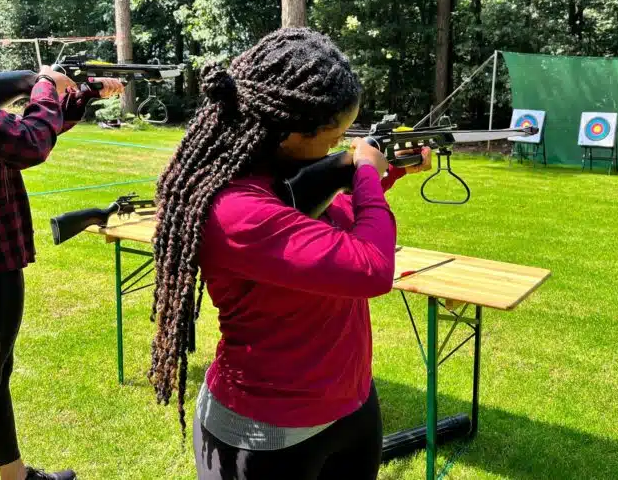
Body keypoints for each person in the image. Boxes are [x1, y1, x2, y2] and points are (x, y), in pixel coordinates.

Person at [148, 27, 431, 479]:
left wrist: (385, 171)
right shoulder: (235, 210)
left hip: (351, 403)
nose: (338, 146)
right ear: (290, 134)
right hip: (266, 432)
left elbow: (333, 218)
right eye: (333, 137)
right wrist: (364, 174)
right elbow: (372, 268)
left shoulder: (285, 177)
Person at [0, 0, 124, 480]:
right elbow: (27, 143)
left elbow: (23, 132)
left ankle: (15, 475)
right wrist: (44, 85)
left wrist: (78, 96)